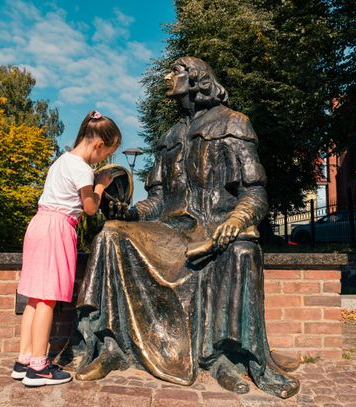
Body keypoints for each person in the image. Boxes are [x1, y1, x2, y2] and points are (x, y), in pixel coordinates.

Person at [60, 58, 299, 399]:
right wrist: (129, 213)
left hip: (213, 225)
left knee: (242, 249)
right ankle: (110, 345)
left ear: (197, 80)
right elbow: (156, 201)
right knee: (112, 234)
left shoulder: (234, 123)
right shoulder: (169, 136)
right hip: (169, 229)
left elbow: (254, 193)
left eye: (176, 73)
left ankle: (224, 358)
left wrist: (234, 221)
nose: (169, 78)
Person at [11, 111, 121, 387]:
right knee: (48, 298)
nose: (103, 159)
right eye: (106, 153)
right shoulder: (83, 169)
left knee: (35, 299)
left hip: (39, 224)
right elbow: (91, 208)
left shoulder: (62, 161)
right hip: (58, 227)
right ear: (98, 146)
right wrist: (100, 185)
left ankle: (24, 360)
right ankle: (39, 367)